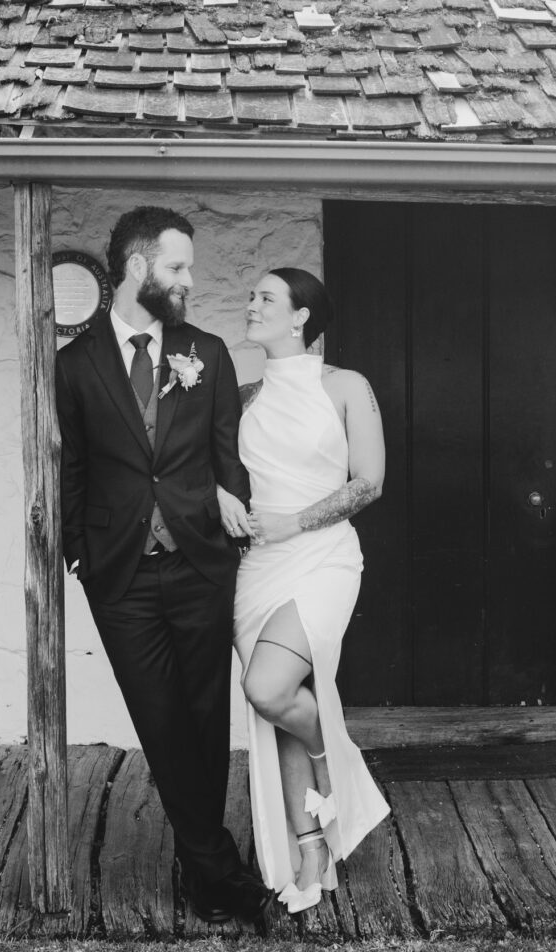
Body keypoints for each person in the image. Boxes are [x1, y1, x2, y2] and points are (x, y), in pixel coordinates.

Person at [55, 205, 272, 925]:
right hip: (119, 574)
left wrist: (229, 504)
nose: (188, 280)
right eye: (177, 267)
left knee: (206, 717)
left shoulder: (205, 351)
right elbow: (75, 466)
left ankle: (202, 865)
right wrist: (79, 551)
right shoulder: (74, 363)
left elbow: (226, 455)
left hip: (200, 567)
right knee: (160, 717)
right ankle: (216, 868)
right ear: (139, 268)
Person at [216, 268, 390, 913]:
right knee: (279, 706)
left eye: (265, 297)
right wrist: (218, 493)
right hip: (259, 568)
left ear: (301, 318)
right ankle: (310, 846)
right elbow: (191, 465)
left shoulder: (346, 386)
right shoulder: (242, 394)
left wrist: (296, 520)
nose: (250, 304)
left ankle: (333, 765)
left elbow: (369, 482)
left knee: (268, 688)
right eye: (251, 294)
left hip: (322, 558)